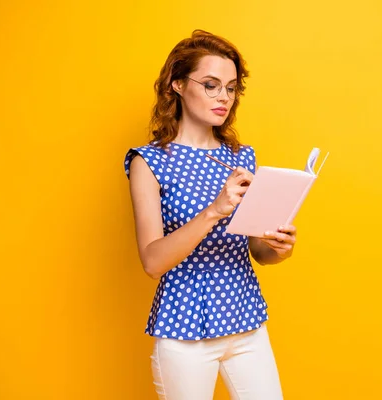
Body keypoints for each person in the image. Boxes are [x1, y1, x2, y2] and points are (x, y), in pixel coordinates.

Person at [124, 30, 296, 400]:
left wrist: (278, 247)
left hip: (246, 321)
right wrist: (214, 211)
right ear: (178, 85)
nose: (224, 97)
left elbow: (257, 251)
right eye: (211, 85)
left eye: (231, 88)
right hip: (185, 329)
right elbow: (153, 262)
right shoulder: (149, 162)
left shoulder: (241, 157)